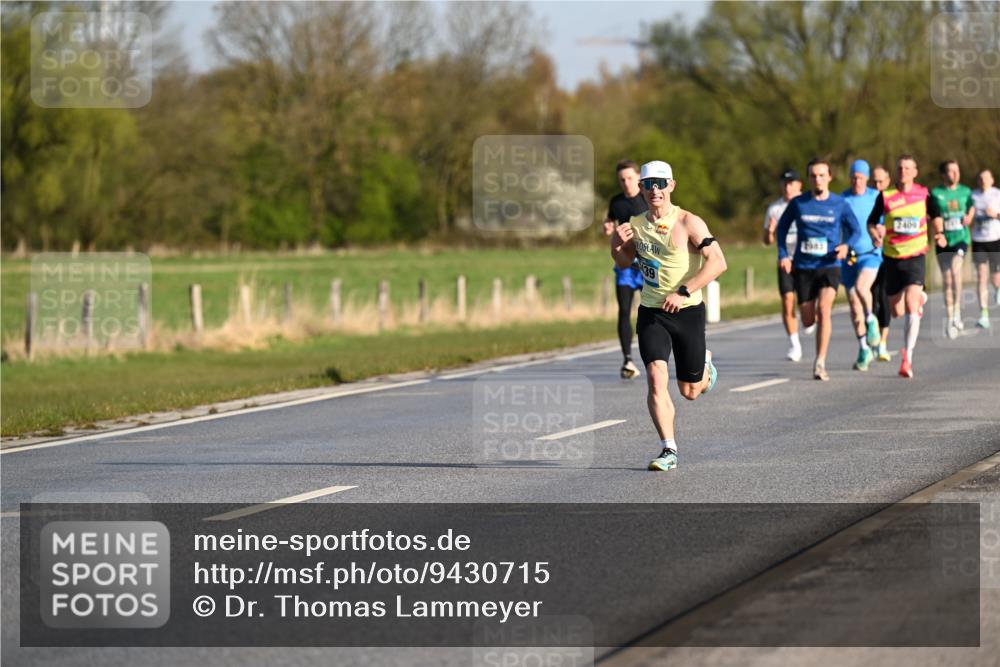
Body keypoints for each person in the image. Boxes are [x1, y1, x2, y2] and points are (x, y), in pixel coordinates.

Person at [611, 160, 727, 472]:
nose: (654, 190)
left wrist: (685, 291)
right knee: (654, 377)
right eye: (648, 185)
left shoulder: (689, 222)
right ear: (642, 189)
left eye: (660, 184)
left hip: (687, 312)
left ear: (671, 186)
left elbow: (717, 262)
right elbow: (623, 263)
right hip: (652, 312)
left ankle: (704, 365)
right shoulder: (636, 223)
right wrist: (615, 245)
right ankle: (668, 449)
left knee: (690, 392)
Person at [777, 158, 861, 381]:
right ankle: (810, 323)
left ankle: (820, 362)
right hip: (804, 267)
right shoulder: (798, 203)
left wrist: (846, 246)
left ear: (830, 177)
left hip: (829, 265)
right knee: (807, 319)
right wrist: (784, 254)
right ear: (809, 179)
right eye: (813, 175)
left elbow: (856, 231)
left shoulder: (840, 203)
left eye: (822, 175)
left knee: (824, 310)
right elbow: (782, 228)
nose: (818, 179)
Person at [868, 155, 932, 378]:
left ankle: (908, 358)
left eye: (907, 168)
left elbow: (937, 215)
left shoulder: (924, 193)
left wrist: (940, 233)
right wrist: (875, 234)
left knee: (911, 304)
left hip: (915, 256)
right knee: (896, 310)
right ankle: (920, 298)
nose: (903, 171)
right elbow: (871, 221)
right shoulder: (885, 196)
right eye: (900, 168)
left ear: (915, 172)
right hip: (893, 257)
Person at [603, 160, 648, 379]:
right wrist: (608, 225)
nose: (626, 183)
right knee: (623, 311)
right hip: (626, 267)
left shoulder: (649, 199)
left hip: (649, 265)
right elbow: (610, 219)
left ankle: (657, 355)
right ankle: (628, 360)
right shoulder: (616, 201)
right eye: (622, 179)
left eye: (630, 178)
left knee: (655, 312)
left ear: (639, 178)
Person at [840, 160, 883, 371]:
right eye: (854, 177)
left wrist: (880, 233)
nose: (857, 181)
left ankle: (871, 319)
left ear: (867, 179)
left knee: (861, 288)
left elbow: (883, 222)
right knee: (854, 304)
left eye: (861, 178)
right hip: (849, 257)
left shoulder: (876, 197)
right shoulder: (842, 199)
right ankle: (864, 347)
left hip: (871, 254)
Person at [929, 160, 975, 338]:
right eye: (950, 171)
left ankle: (957, 312)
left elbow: (971, 207)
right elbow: (930, 214)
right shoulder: (936, 193)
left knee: (956, 272)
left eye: (957, 171)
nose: (955, 174)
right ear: (943, 175)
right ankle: (950, 317)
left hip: (961, 239)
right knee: (947, 280)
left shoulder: (965, 191)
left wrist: (969, 217)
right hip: (943, 241)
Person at [763, 169, 805, 361]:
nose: (788, 187)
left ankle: (809, 320)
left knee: (807, 306)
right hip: (785, 259)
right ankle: (794, 345)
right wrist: (771, 231)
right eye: (785, 184)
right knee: (788, 302)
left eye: (792, 183)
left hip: (807, 259)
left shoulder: (807, 204)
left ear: (799, 185)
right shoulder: (774, 209)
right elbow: (766, 241)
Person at [971, 168, 1000, 328]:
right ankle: (984, 314)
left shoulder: (997, 194)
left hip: (995, 239)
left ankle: (998, 288)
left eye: (986, 178)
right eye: (980, 179)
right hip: (978, 240)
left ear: (992, 180)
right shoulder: (973, 195)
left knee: (996, 276)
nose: (983, 181)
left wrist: (995, 215)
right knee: (981, 277)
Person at [870, 165, 894, 361]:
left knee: (884, 297)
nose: (877, 185)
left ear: (888, 181)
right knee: (871, 297)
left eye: (881, 181)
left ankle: (883, 343)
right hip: (869, 256)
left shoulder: (894, 199)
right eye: (874, 181)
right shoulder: (868, 200)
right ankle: (872, 338)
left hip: (890, 256)